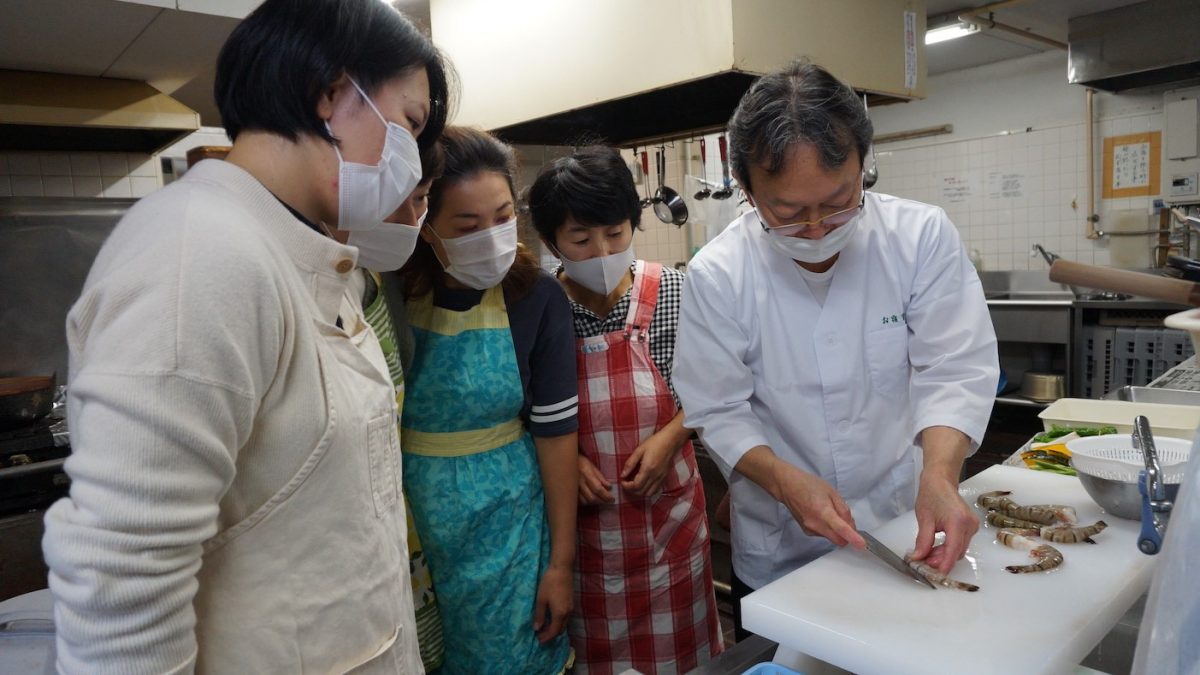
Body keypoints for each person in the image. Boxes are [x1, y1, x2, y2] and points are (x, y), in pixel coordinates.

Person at [41, 1, 451, 672]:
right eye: (408, 122)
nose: (411, 159)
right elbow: (123, 577)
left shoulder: (303, 255)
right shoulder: (198, 253)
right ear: (331, 92)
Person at [673, 60, 998, 639]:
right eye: (788, 212)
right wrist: (781, 480)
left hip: (902, 531)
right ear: (746, 188)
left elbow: (953, 368)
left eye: (840, 200)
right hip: (779, 552)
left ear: (863, 163)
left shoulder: (919, 237)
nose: (819, 227)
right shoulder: (719, 273)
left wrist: (941, 475)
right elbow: (717, 407)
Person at [528, 146, 724, 673]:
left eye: (615, 233)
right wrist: (566, 461)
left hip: (670, 537)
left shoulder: (676, 292)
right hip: (583, 547)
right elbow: (520, 411)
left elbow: (715, 386)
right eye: (580, 240)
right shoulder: (539, 308)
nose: (601, 251)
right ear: (551, 241)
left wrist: (671, 437)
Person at [396, 126, 578, 674]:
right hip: (409, 524)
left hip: (510, 525)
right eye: (468, 226)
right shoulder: (392, 291)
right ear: (427, 226)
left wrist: (560, 565)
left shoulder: (538, 297)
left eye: (503, 217)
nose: (492, 237)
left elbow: (556, 436)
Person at [352, 142, 448, 672]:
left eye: (423, 199)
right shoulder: (314, 285)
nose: (413, 219)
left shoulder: (385, 279)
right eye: (400, 200)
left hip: (399, 511)